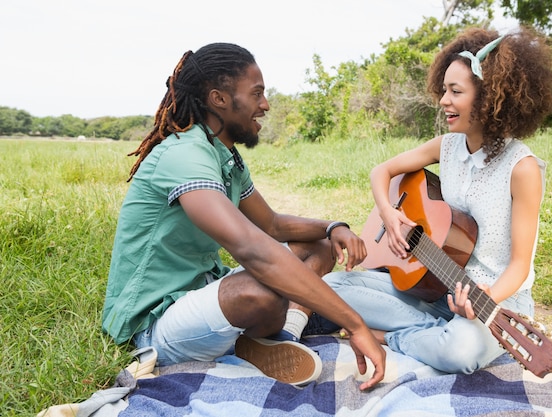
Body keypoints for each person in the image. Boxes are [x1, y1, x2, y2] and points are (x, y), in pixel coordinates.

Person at [101, 42, 385, 389]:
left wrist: (332, 227)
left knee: (318, 246)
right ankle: (251, 340)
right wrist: (354, 324)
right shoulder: (184, 154)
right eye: (257, 94)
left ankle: (282, 337)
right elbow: (251, 247)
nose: (265, 105)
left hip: (198, 293)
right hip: (151, 324)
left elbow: (272, 224)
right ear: (219, 99)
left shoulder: (224, 156)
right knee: (260, 288)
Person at [322, 26, 552, 374]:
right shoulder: (446, 147)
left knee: (459, 351)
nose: (443, 100)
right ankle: (430, 330)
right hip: (435, 286)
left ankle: (390, 337)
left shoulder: (521, 169)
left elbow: (520, 266)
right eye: (443, 90)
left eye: (455, 91)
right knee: (330, 287)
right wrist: (389, 215)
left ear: (489, 97)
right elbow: (381, 172)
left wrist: (485, 299)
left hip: (495, 299)